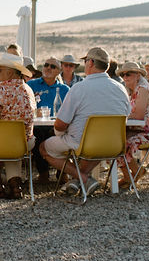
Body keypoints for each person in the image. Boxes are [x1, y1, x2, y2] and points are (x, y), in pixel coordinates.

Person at [39, 48, 130, 195]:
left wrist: (59, 133)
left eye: (85, 61)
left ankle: (82, 178)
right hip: (113, 145)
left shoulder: (79, 88)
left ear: (91, 63)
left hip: (83, 144)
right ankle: (79, 180)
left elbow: (60, 124)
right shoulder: (121, 89)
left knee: (44, 148)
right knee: (95, 146)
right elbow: (126, 116)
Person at [0, 55, 37, 199]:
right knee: (12, 152)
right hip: (24, 143)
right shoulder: (28, 89)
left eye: (0, 70)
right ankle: (16, 186)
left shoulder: (2, 90)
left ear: (10, 72)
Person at [117, 61, 149, 178]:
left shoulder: (142, 89)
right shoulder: (132, 91)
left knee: (122, 144)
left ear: (138, 75)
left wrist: (121, 117)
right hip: (140, 128)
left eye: (128, 74)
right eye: (123, 75)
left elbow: (138, 115)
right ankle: (130, 176)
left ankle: (135, 174)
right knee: (115, 141)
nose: (125, 77)